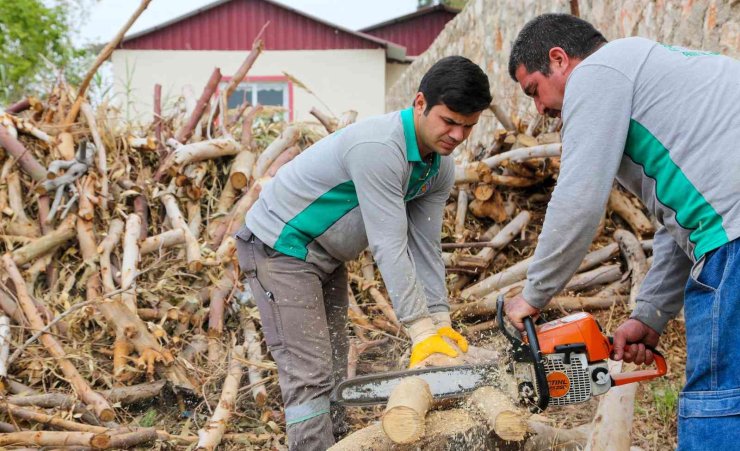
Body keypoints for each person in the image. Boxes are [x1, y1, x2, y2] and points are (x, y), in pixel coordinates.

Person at [503, 13, 740, 450]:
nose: (539, 109)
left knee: (719, 400)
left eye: (534, 90)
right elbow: (679, 222)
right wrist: (649, 315)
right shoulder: (652, 76)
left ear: (559, 59)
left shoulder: (597, 72)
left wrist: (533, 296)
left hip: (735, 242)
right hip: (730, 230)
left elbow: (579, 198)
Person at [235, 55, 492, 450]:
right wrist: (419, 329)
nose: (457, 135)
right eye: (449, 121)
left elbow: (425, 247)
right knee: (310, 375)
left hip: (325, 257)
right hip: (279, 248)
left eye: (468, 126)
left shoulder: (438, 168)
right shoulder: (380, 147)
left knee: (335, 368)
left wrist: (440, 323)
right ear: (420, 103)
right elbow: (389, 244)